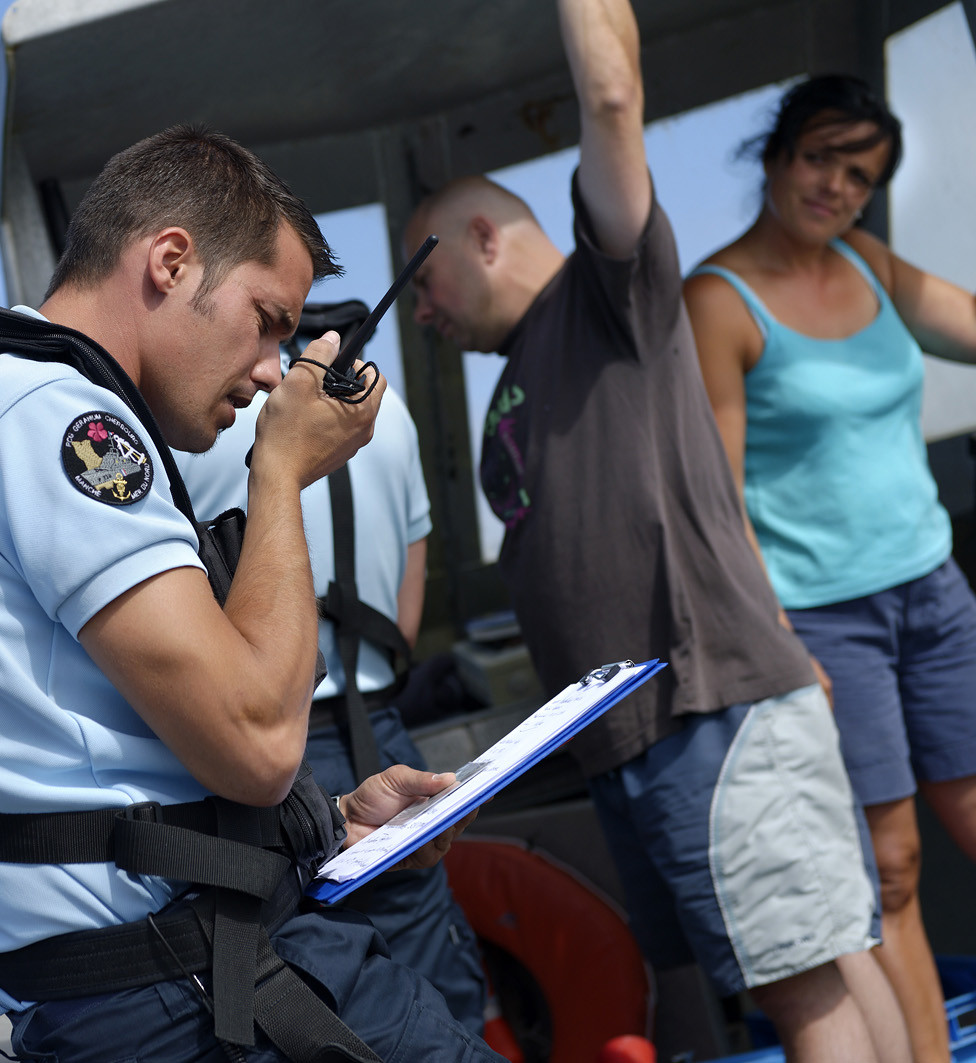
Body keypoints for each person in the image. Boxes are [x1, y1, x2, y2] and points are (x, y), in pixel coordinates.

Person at [0, 125, 497, 1063]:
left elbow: (98, 765)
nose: (275, 369)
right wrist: (276, 474)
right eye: (269, 320)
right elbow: (254, 743)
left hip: (161, 989)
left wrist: (332, 825)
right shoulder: (57, 420)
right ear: (169, 261)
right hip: (195, 998)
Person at [400, 1, 913, 1060]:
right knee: (821, 957)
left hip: (705, 704)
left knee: (802, 983)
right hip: (640, 736)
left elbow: (612, 97)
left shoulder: (609, 293)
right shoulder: (518, 375)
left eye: (420, 279)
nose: (418, 312)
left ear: (486, 238)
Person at [684, 74, 976, 1063]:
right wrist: (774, 640)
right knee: (889, 866)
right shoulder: (714, 299)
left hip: (935, 592)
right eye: (821, 159)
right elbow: (719, 504)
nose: (837, 187)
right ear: (774, 157)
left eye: (860, 175)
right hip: (822, 621)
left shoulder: (868, 258)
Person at [178, 303, 488, 1036]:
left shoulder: (218, 421)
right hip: (384, 727)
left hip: (276, 744)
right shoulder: (395, 417)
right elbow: (408, 617)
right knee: (426, 959)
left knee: (306, 969)